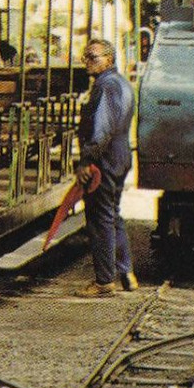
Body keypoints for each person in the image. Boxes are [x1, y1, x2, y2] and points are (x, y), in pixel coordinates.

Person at [77, 39, 137, 296]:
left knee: (100, 218)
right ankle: (127, 273)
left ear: (109, 59)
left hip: (105, 159)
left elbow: (102, 129)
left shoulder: (105, 86)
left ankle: (104, 281)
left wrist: (86, 161)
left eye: (94, 57)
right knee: (113, 214)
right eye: (86, 56)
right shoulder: (122, 83)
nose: (88, 62)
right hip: (121, 155)